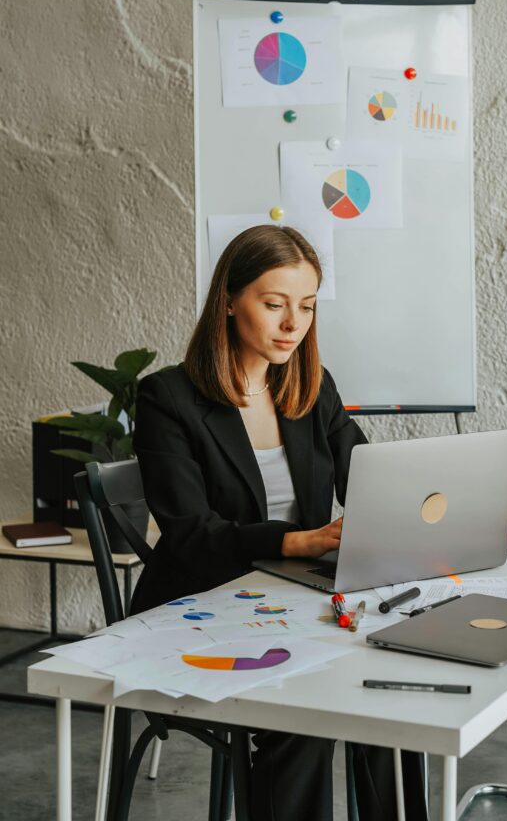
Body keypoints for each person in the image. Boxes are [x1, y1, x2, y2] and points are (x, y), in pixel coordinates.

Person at [131, 224, 428, 821]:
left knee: (391, 688)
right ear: (229, 301)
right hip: (202, 603)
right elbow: (190, 534)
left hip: (298, 598)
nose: (294, 323)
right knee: (305, 714)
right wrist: (296, 540)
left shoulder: (311, 387)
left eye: (308, 306)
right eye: (274, 304)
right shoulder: (167, 398)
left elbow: (366, 480)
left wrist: (420, 509)